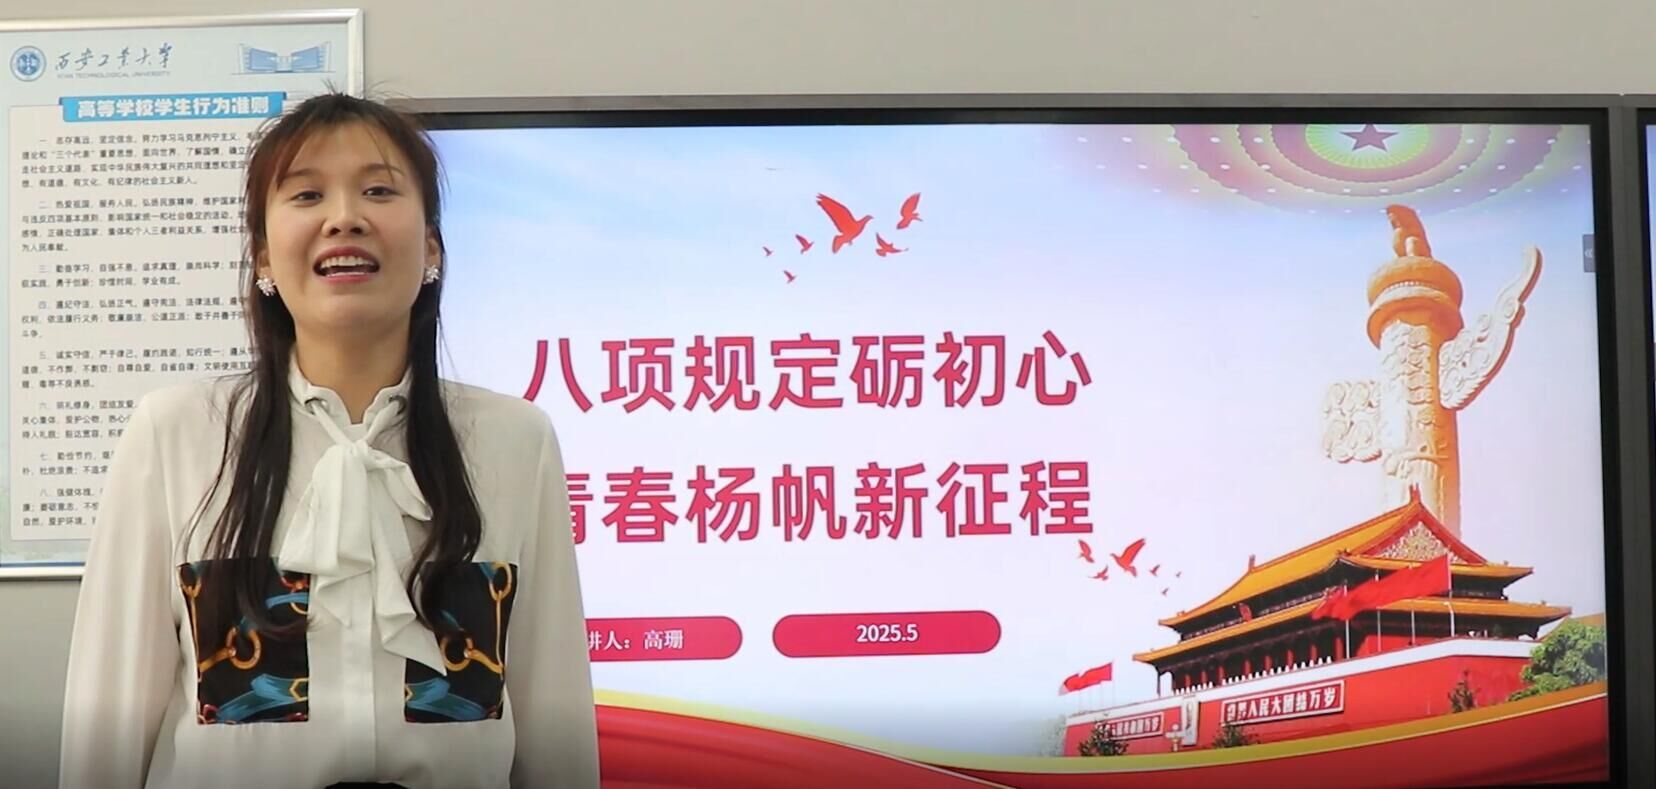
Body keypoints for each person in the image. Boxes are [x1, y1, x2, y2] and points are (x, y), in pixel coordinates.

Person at [58, 92, 600, 788]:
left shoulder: (515, 441)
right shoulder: (174, 434)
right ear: (262, 257)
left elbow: (556, 726)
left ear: (431, 248)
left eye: (379, 190)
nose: (345, 218)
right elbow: (103, 731)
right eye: (307, 194)